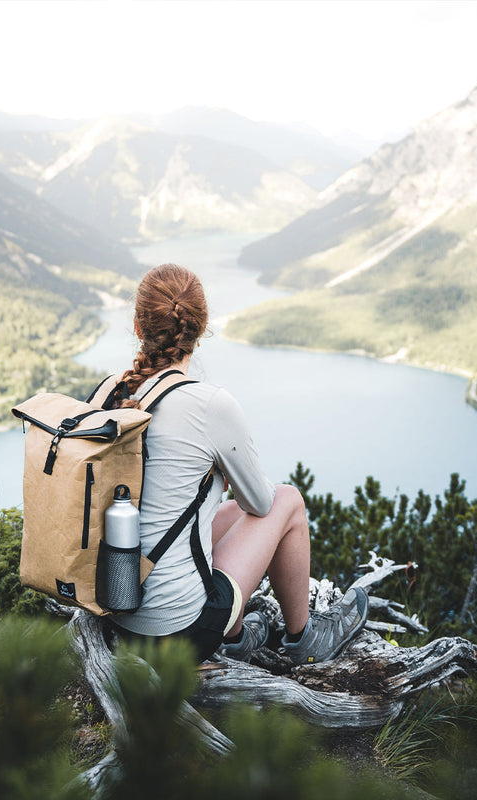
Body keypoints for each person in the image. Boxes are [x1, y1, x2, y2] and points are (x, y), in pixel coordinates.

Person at [105, 263, 368, 664]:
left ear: (139, 328)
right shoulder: (209, 404)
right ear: (200, 327)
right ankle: (304, 641)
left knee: (222, 512)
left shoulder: (109, 393)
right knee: (289, 502)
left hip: (114, 608)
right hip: (177, 631)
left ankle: (239, 633)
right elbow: (261, 504)